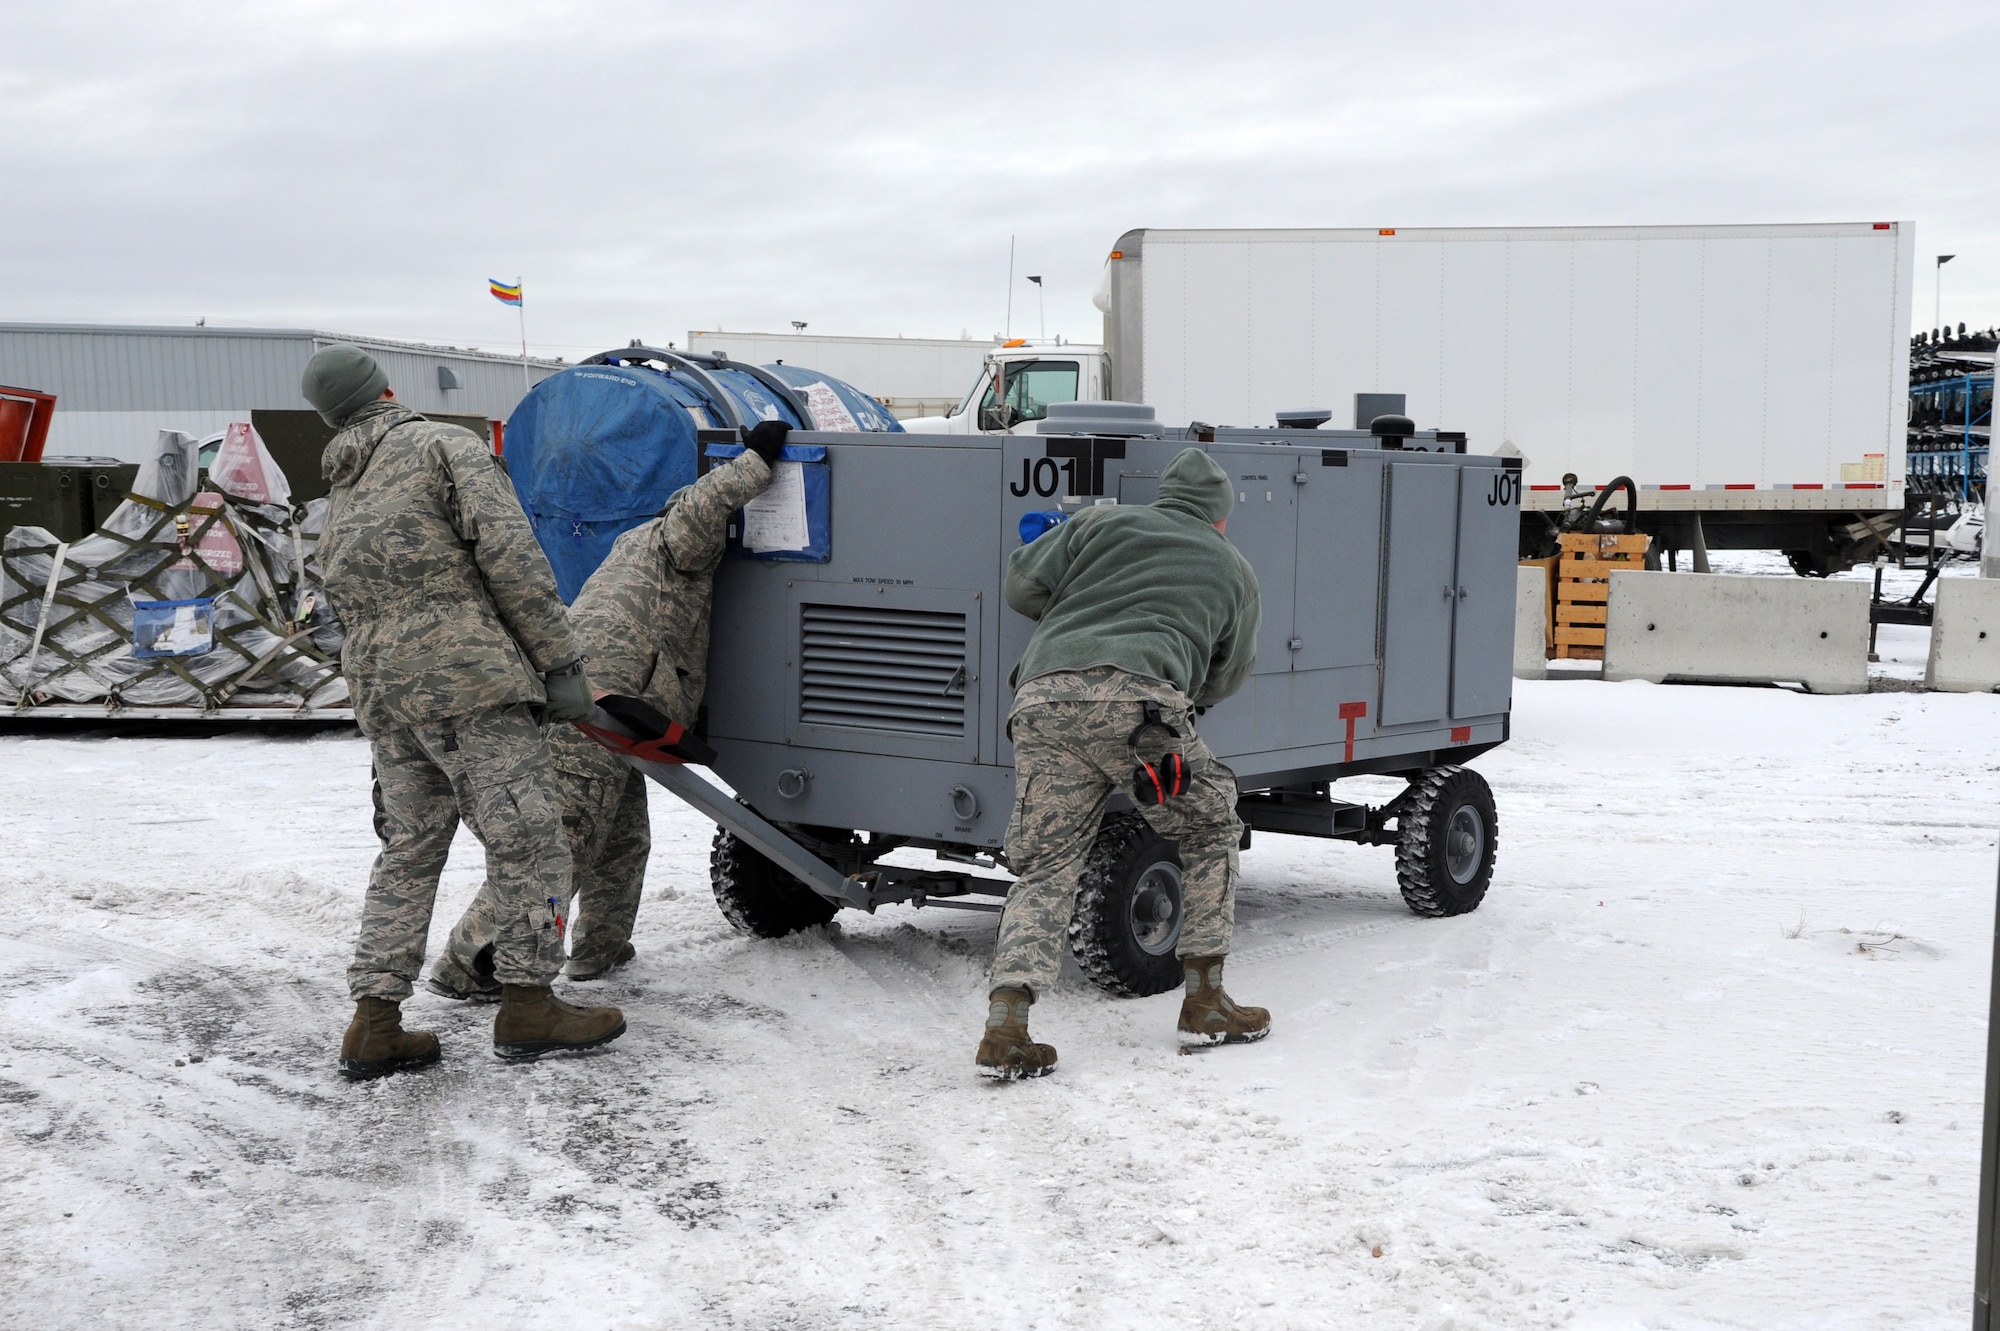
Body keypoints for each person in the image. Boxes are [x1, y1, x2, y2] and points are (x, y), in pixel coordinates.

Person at [302, 344, 625, 1080]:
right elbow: (512, 558)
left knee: (410, 846)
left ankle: (374, 1020)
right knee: (534, 839)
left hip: (388, 698)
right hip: (468, 684)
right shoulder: (443, 447)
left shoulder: (341, 491)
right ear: (386, 389)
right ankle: (529, 1002)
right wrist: (561, 665)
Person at [428, 420, 788, 987]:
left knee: (622, 838)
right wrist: (758, 461)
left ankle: (602, 947)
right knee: (563, 846)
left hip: (612, 707)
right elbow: (703, 505)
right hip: (599, 706)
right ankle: (465, 961)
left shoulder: (640, 546)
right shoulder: (675, 540)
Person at [979, 447, 1266, 1079]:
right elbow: (1227, 673)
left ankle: (1007, 1025)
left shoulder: (1097, 524)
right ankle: (1206, 999)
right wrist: (1181, 702)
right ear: (1220, 519)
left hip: (1043, 696)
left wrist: (1078, 619)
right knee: (1211, 827)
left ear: (1164, 497)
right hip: (1143, 712)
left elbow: (1020, 585)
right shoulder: (1233, 568)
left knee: (1047, 864)